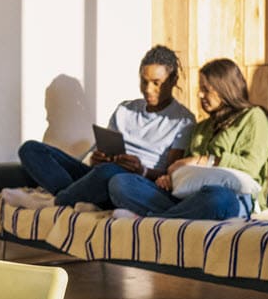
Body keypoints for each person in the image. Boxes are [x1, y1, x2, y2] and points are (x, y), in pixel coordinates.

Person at [17, 46, 195, 209]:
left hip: (136, 183)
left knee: (110, 172)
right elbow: (106, 152)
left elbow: (171, 174)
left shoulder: (183, 120)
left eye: (156, 83)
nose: (148, 89)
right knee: (31, 149)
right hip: (101, 174)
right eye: (144, 81)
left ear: (173, 80)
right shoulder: (125, 109)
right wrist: (97, 159)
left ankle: (58, 202)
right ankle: (77, 196)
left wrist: (142, 170)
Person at [108, 58, 268, 220]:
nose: (200, 94)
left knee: (219, 198)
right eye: (200, 89)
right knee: (121, 183)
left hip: (235, 198)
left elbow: (251, 166)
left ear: (225, 89)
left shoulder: (253, 117)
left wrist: (202, 160)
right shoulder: (201, 127)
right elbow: (182, 167)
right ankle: (170, 216)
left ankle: (153, 218)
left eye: (206, 89)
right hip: (187, 196)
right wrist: (170, 178)